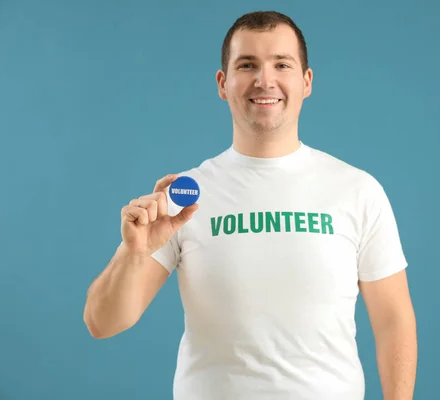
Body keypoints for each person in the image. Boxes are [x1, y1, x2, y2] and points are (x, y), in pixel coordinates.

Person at [83, 10, 417, 400]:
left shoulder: (358, 190)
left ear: (306, 81)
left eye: (282, 64)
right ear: (223, 83)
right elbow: (101, 322)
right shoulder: (184, 199)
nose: (265, 80)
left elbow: (394, 319)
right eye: (247, 65)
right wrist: (133, 252)